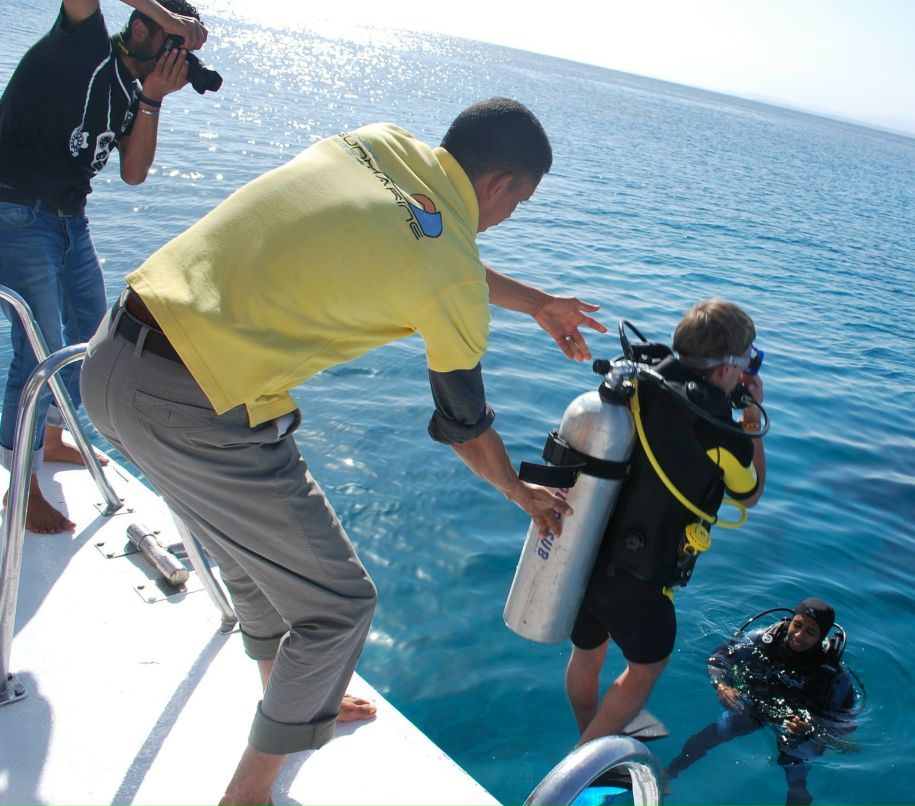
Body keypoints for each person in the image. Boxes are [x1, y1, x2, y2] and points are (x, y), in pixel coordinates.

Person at [79, 97, 603, 806]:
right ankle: (248, 797)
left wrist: (537, 302)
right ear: (499, 185)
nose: (511, 218)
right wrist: (518, 492)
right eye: (521, 203)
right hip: (189, 403)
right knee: (341, 607)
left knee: (252, 565)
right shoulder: (448, 270)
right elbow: (463, 423)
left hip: (114, 358)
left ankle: (296, 698)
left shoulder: (378, 145)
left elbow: (429, 243)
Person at [0, 0, 208, 533]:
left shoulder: (133, 92)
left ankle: (48, 436)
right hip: (16, 210)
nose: (150, 32)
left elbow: (134, 173)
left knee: (94, 338)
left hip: (69, 222)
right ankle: (19, 484)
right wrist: (173, 22)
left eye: (170, 42)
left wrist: (154, 99)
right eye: (155, 25)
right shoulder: (83, 41)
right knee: (39, 346)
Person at [565, 299, 768, 746]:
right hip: (640, 577)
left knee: (587, 653)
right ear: (722, 371)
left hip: (588, 548)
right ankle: (580, 762)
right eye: (746, 364)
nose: (747, 374)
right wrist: (750, 416)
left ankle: (589, 730)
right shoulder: (722, 434)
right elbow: (749, 493)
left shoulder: (642, 378)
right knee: (646, 669)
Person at [666, 598, 858, 806]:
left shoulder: (834, 677)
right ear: (791, 620)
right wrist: (722, 686)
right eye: (798, 625)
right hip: (756, 705)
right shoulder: (764, 639)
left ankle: (798, 795)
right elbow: (719, 660)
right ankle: (670, 772)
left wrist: (811, 728)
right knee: (718, 731)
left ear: (821, 637)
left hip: (796, 726)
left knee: (795, 764)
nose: (799, 636)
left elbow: (844, 727)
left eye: (810, 632)